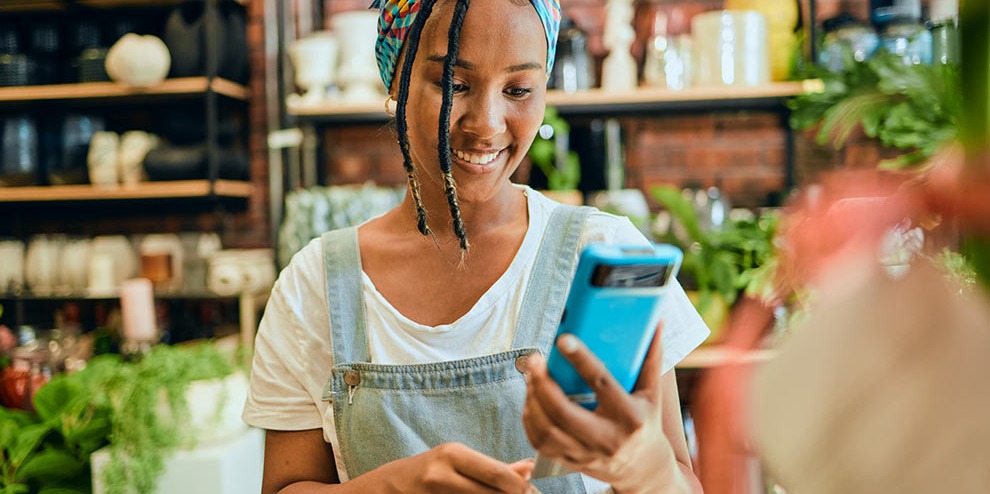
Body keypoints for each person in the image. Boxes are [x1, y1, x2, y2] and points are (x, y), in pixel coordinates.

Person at [243, 0, 710, 491]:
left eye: (518, 89)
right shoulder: (315, 283)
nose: (486, 124)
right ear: (395, 81)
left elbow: (681, 480)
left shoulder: (603, 255)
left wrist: (647, 467)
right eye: (454, 85)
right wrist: (393, 486)